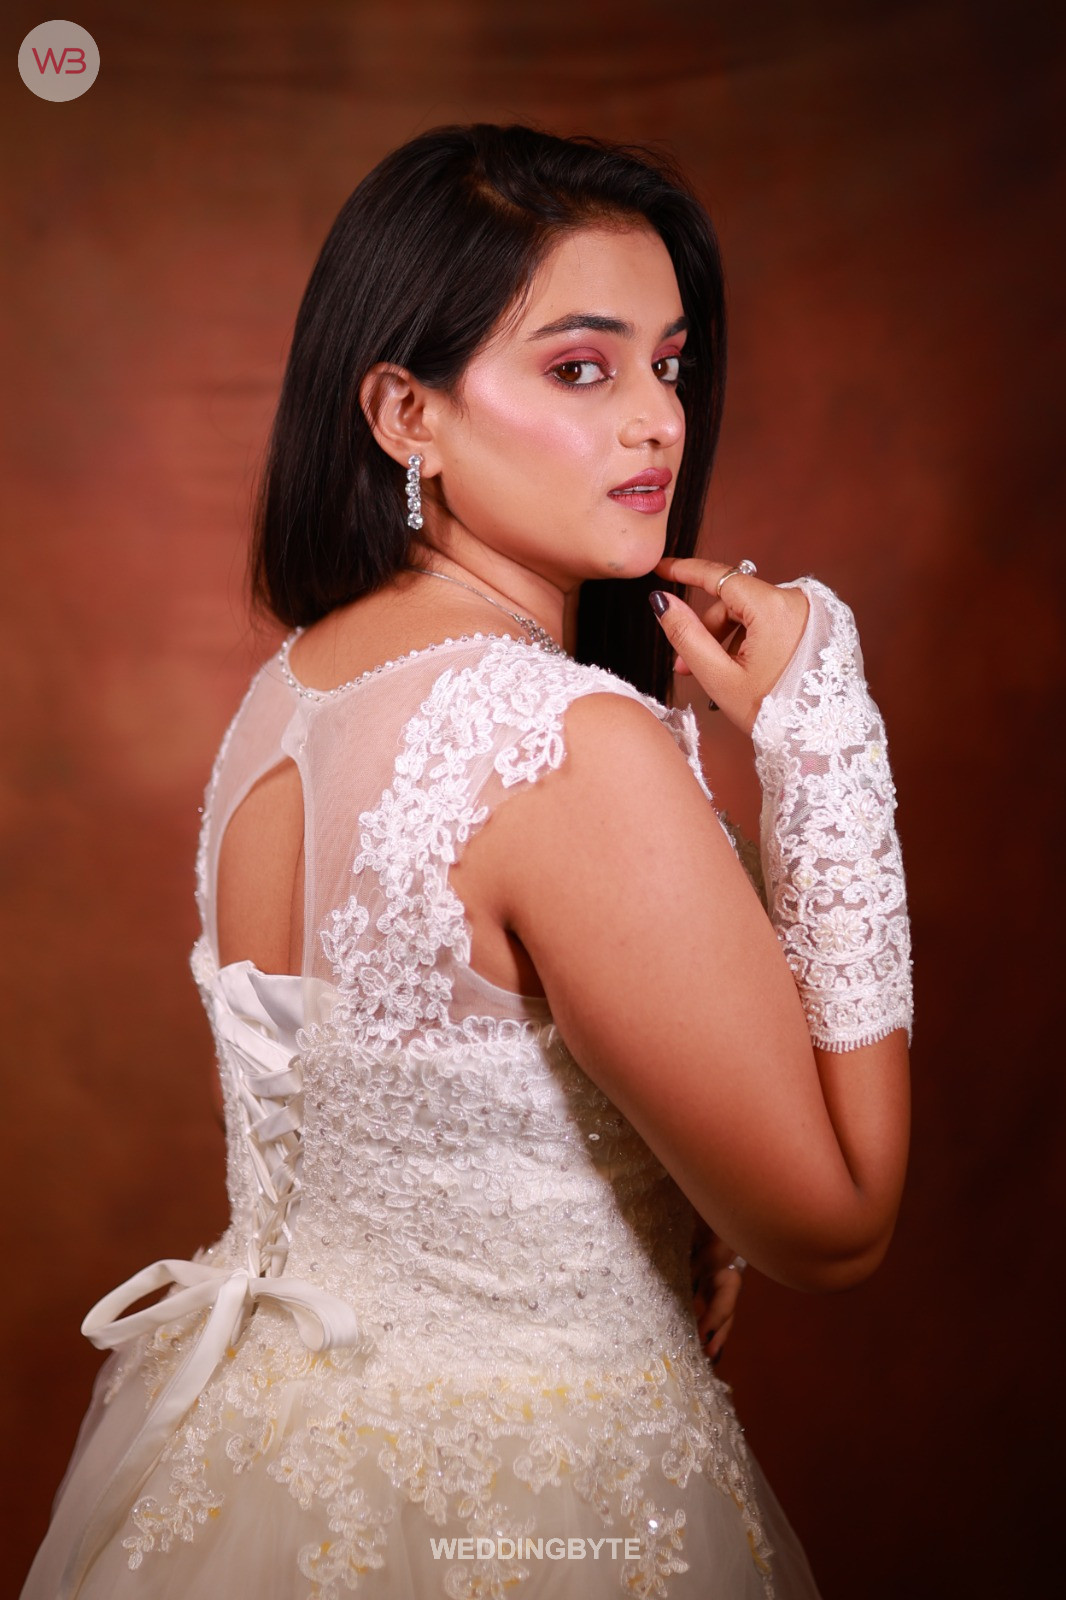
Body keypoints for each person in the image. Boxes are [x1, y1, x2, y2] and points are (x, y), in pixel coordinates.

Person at [21, 123, 911, 1600]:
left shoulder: (291, 692)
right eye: (581, 368)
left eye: (669, 365)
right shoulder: (557, 743)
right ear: (403, 412)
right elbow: (838, 1221)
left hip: (246, 1470)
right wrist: (826, 745)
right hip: (532, 1505)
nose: (658, 422)